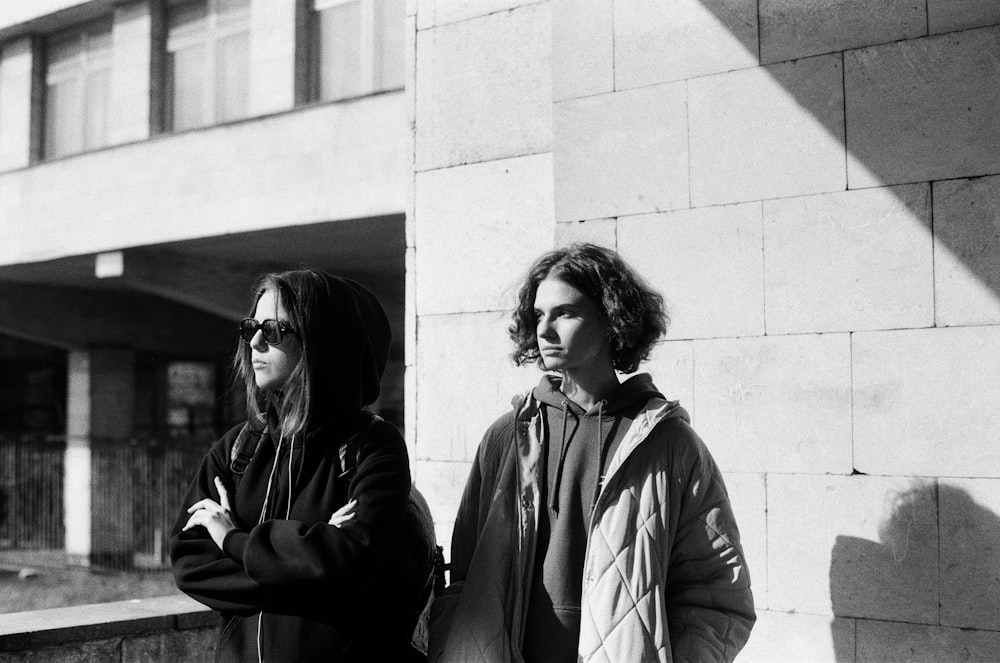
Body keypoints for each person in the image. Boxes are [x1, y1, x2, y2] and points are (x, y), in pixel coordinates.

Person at [428, 243, 755, 663]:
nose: (545, 329)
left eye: (564, 313)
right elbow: (464, 578)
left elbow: (716, 595)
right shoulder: (506, 436)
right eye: (538, 315)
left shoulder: (668, 445)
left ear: (610, 319)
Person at [170, 269, 435, 663]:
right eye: (251, 327)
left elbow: (357, 560)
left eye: (274, 329)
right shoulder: (237, 449)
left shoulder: (372, 447)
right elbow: (190, 564)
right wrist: (315, 562)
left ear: (322, 342)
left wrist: (233, 540)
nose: (255, 342)